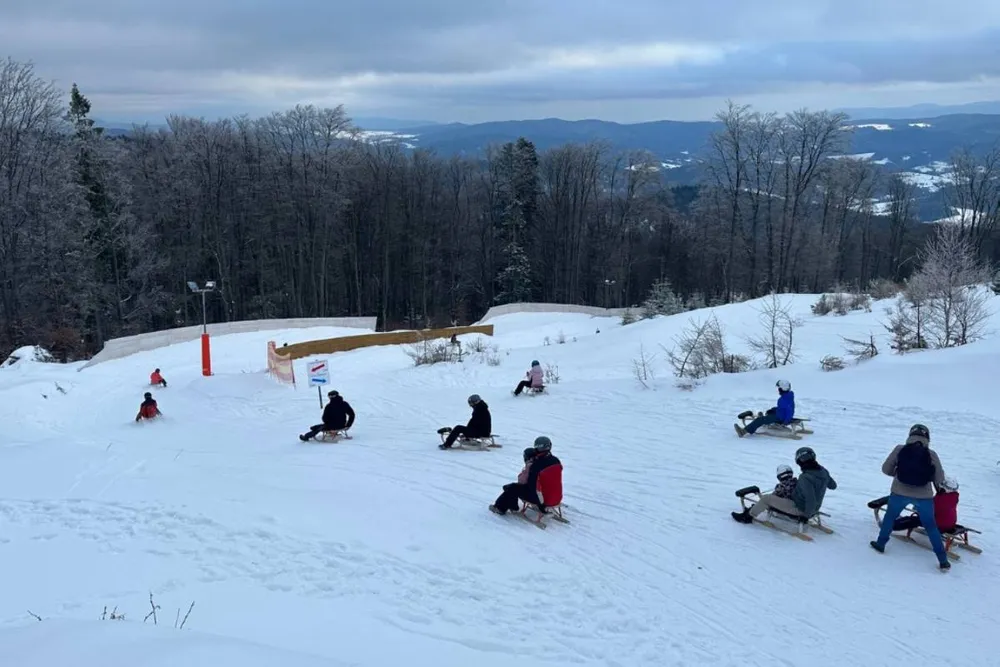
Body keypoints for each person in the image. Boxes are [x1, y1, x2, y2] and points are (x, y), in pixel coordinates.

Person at [870, 424, 951, 569]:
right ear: (927, 438)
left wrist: (898, 474)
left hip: (899, 492)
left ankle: (881, 544)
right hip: (924, 496)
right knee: (931, 526)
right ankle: (942, 560)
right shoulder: (931, 454)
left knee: (890, 517)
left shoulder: (900, 449)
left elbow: (885, 469)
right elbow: (939, 479)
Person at [732, 446, 836, 524]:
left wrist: (805, 516)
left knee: (766, 499)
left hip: (800, 509)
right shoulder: (823, 471)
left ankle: (747, 517)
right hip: (814, 507)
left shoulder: (805, 478)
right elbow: (833, 486)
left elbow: (810, 499)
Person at [490, 436, 563, 515]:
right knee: (515, 488)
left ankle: (499, 508)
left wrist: (528, 465)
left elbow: (522, 481)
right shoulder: (556, 461)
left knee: (511, 488)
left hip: (539, 499)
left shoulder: (535, 465)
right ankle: (512, 504)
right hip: (555, 496)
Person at [893, 476, 959, 533]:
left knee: (913, 520)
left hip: (939, 525)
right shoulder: (954, 496)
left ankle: (892, 525)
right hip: (950, 523)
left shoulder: (939, 500)